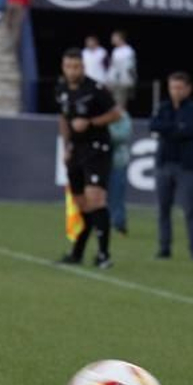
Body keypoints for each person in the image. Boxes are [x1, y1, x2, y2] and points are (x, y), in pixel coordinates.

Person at [56, 49, 122, 269]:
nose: (72, 71)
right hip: (76, 150)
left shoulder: (96, 89)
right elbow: (64, 119)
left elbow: (116, 114)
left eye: (76, 66)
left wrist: (91, 122)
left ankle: (104, 255)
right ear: (63, 67)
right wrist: (66, 147)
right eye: (68, 66)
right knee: (82, 205)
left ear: (83, 67)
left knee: (96, 200)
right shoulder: (61, 88)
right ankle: (77, 253)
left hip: (97, 149)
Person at [150, 71, 193, 260]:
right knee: (163, 208)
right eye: (173, 87)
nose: (176, 91)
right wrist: (176, 127)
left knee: (190, 209)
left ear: (188, 89)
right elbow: (154, 126)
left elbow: (191, 131)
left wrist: (169, 128)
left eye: (180, 88)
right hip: (163, 162)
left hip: (185, 165)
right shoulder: (163, 107)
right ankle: (164, 247)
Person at [108, 108, 133, 237]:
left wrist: (104, 132)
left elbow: (123, 135)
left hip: (117, 162)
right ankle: (98, 225)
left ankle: (118, 226)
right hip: (97, 161)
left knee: (117, 195)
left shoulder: (121, 114)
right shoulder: (96, 112)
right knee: (97, 196)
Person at [107, 30, 137, 109]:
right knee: (113, 104)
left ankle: (122, 120)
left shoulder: (128, 51)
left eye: (114, 37)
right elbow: (113, 67)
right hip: (114, 82)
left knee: (121, 104)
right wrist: (109, 80)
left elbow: (130, 68)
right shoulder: (115, 51)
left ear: (120, 38)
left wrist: (130, 82)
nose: (112, 39)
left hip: (124, 82)